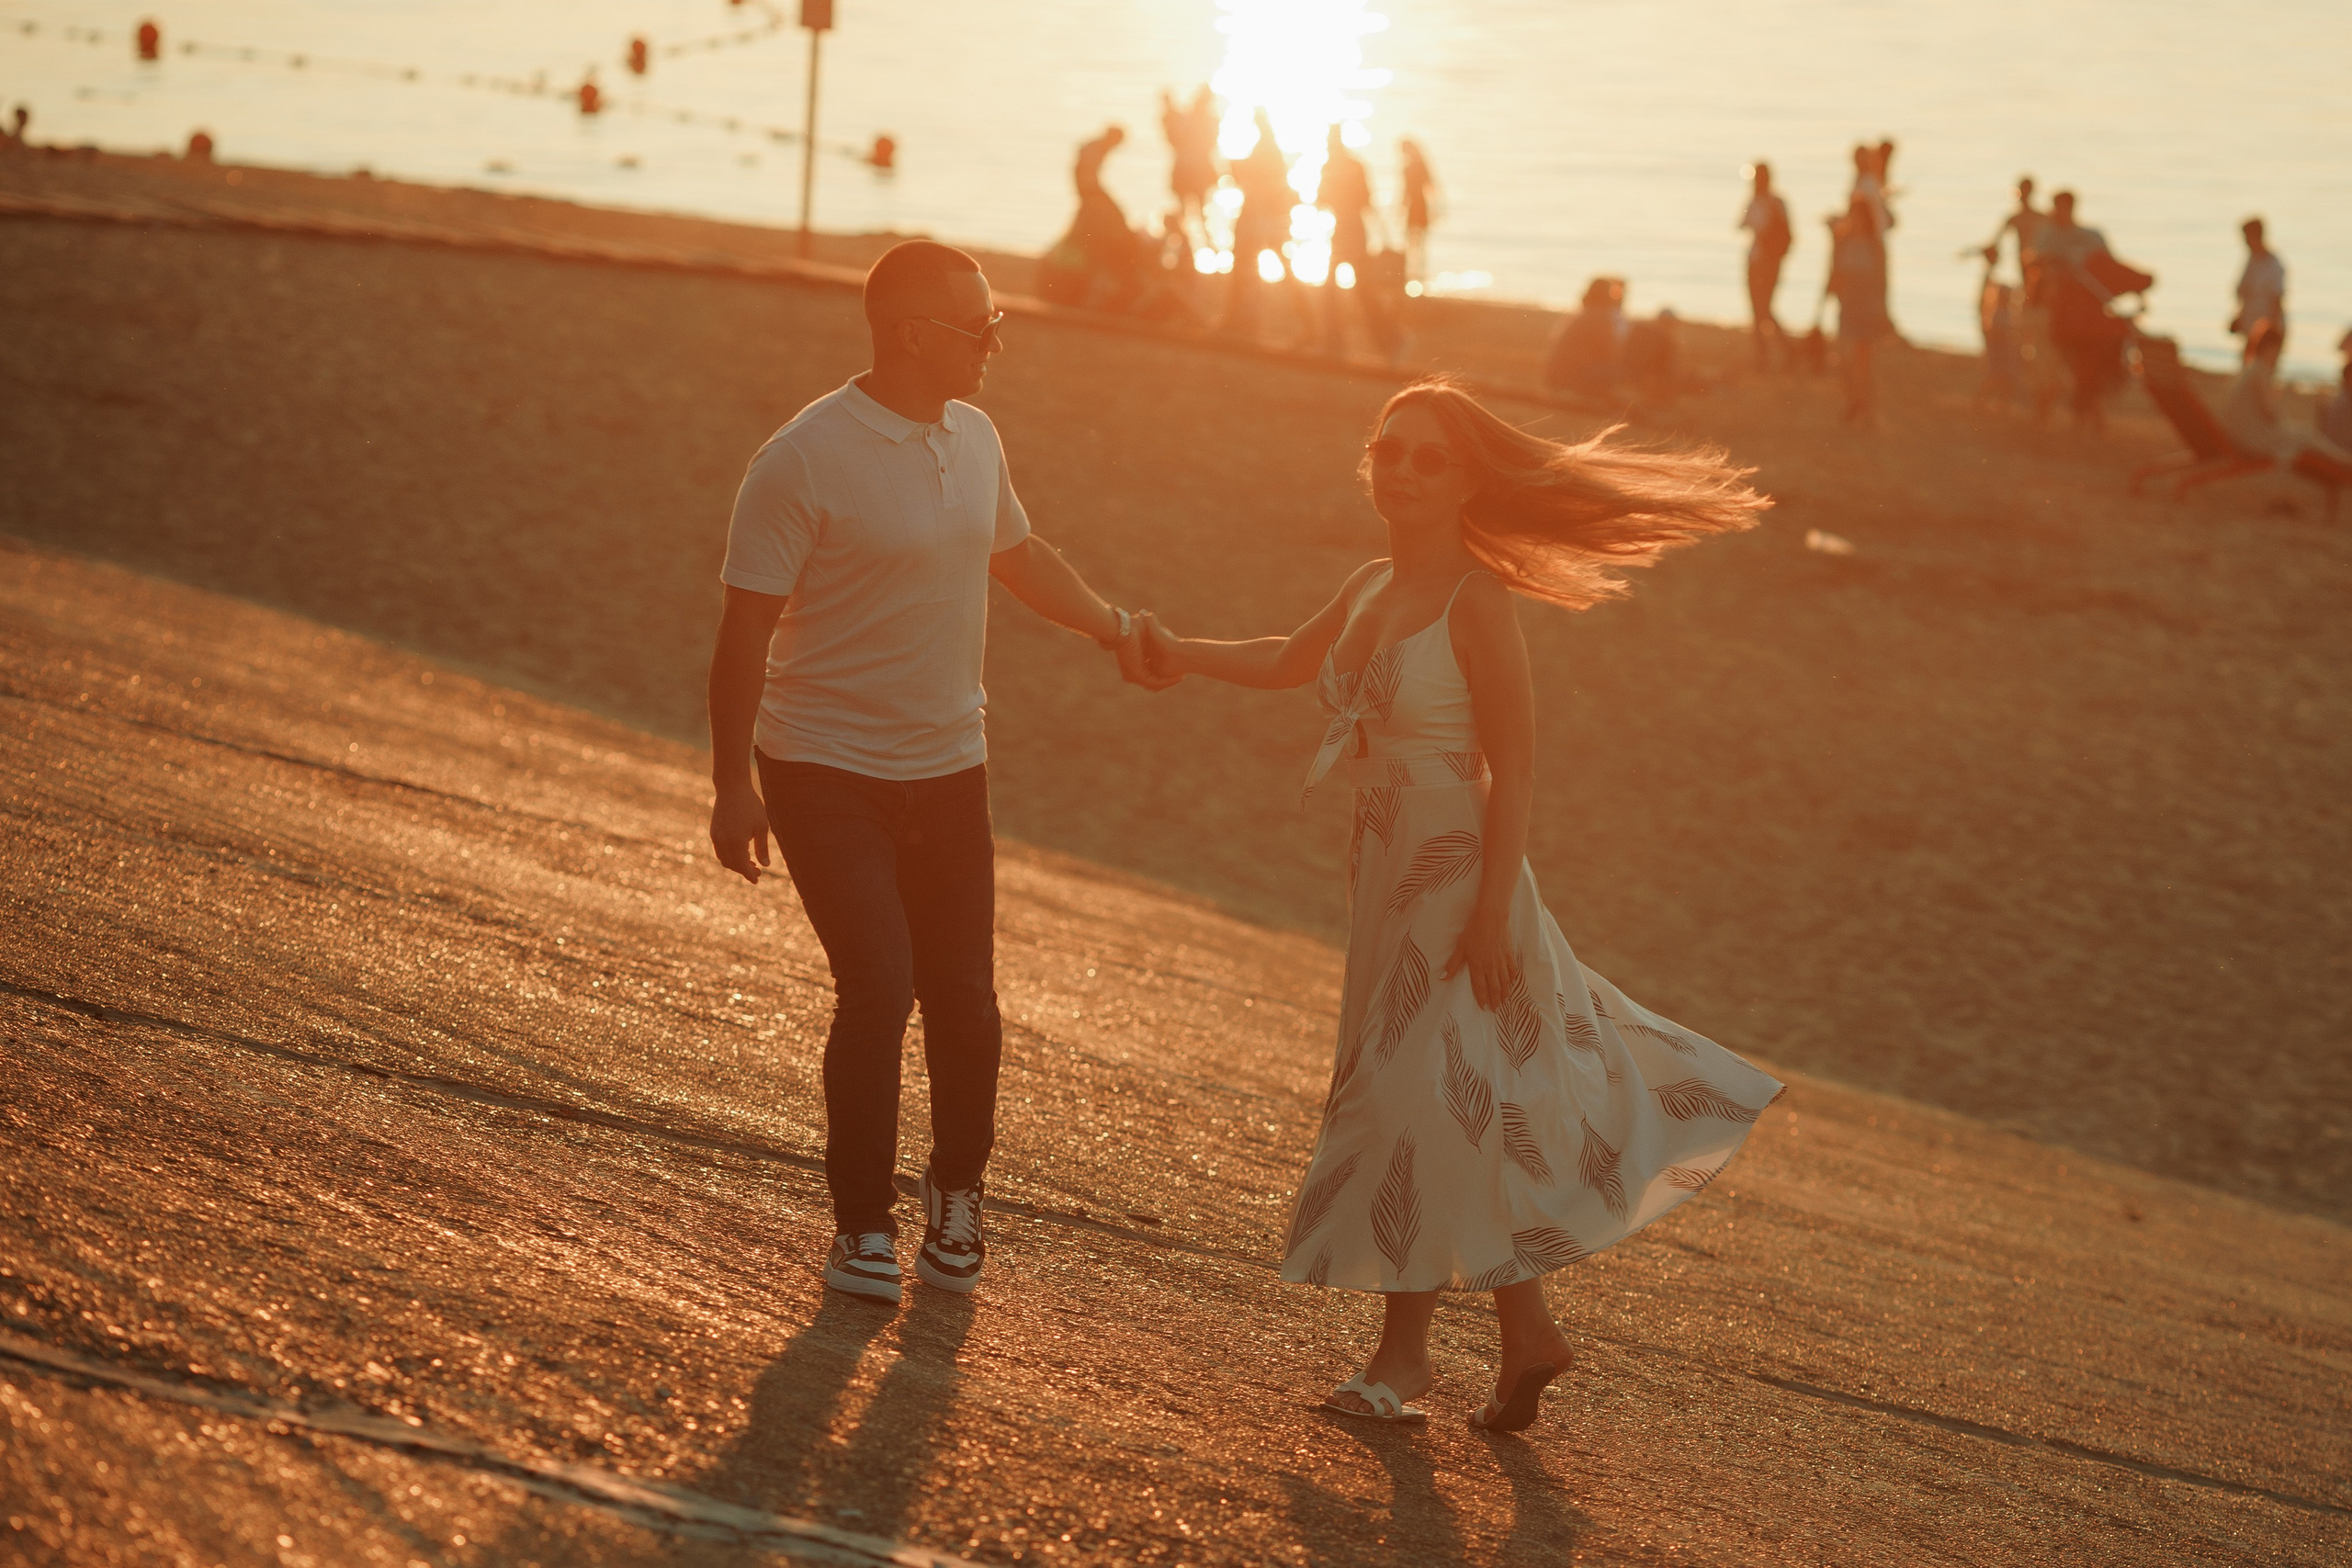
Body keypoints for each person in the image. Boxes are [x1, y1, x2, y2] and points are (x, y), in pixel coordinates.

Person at [1134, 377, 1781, 1432]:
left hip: (1457, 871)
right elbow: (1293, 662)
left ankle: (1402, 1360)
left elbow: (1516, 768)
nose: (1403, 470)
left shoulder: (1475, 600)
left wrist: (1489, 912)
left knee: (1412, 1099)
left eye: (1430, 457)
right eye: (1390, 450)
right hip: (1384, 867)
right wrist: (1181, 654)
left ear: (1469, 478)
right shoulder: (1367, 585)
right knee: (1456, 1097)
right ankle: (1528, 1336)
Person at [707, 241, 1170, 1307]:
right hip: (821, 767)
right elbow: (743, 634)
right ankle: (861, 1227)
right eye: (979, 327)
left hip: (950, 765)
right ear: (912, 332)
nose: (996, 343)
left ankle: (956, 1193)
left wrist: (1115, 629)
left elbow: (1015, 554)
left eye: (995, 322)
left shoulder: (976, 438)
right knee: (878, 987)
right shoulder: (803, 458)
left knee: (965, 1000)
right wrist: (734, 783)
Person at [2038, 190, 2153, 432]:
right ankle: (2052, 418)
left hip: (2084, 319)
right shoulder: (2048, 236)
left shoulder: (2091, 236)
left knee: (2084, 369)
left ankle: (2084, 418)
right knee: (2063, 370)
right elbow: (2036, 268)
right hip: (2064, 316)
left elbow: (2110, 269)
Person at [2222, 320, 2352, 475]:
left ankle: (2342, 457)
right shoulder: (2259, 371)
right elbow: (2270, 413)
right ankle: (2344, 460)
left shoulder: (2252, 368)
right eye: (2278, 351)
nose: (2279, 356)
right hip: (2251, 440)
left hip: (2241, 436)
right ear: (2270, 348)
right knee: (2307, 435)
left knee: (2303, 434)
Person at [1316, 125, 1396, 358]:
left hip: (1346, 231)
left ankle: (1339, 342)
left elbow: (1323, 200)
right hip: (1349, 231)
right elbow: (1366, 200)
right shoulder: (1352, 165)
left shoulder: (1332, 166)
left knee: (1347, 289)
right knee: (1353, 289)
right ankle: (1382, 339)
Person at [1981, 177, 2055, 416]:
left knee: (2027, 336)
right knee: (2022, 335)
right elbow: (1996, 243)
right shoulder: (2016, 219)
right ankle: (2019, 385)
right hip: (2023, 282)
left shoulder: (2039, 218)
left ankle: (2027, 386)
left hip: (2035, 282)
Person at [1224, 109, 1296, 338]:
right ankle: (1242, 320)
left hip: (1259, 218)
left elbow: (1262, 182)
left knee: (1246, 267)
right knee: (1250, 268)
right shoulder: (1269, 148)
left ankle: (1242, 320)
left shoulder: (1266, 150)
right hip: (1264, 218)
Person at [1826, 193, 1891, 424]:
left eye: (1860, 216)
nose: (1856, 221)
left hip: (1868, 308)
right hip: (1847, 306)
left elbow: (1883, 280)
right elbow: (1834, 271)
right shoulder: (1844, 241)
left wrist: (1883, 310)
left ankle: (1867, 409)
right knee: (1843, 359)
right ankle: (1853, 401)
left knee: (1864, 362)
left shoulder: (1875, 245)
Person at [1737, 162, 1792, 368]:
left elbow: (1742, 225)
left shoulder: (1761, 202)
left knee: (1761, 309)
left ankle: (1772, 353)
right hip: (1768, 262)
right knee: (1763, 309)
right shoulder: (1777, 202)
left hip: (1760, 261)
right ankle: (1773, 352)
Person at [1542, 276, 1626, 399]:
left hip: (1555, 375)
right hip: (1571, 378)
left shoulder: (1583, 314)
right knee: (1621, 371)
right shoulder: (1600, 317)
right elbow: (1608, 352)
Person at [1161, 86, 1220, 243]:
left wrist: (1168, 105)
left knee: (1190, 208)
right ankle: (1195, 243)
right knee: (1197, 209)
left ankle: (1187, 242)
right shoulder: (1204, 120)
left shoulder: (1187, 119)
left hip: (1187, 170)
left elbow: (1171, 131)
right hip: (1195, 170)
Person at [2232, 218, 2286, 357]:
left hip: (2266, 331)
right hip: (2250, 326)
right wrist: (2238, 317)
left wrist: (2272, 332)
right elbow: (2244, 293)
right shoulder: (2252, 260)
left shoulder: (2273, 265)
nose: (2246, 242)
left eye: (2248, 237)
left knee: (2259, 369)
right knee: (2246, 365)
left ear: (2258, 236)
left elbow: (2277, 300)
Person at [1399, 139, 1439, 285]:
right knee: (1414, 242)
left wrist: (1435, 209)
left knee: (1416, 242)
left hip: (1418, 207)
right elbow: (1405, 191)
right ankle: (1414, 275)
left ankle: (1417, 275)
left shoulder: (1416, 167)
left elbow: (1431, 187)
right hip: (1416, 206)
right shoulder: (1412, 166)